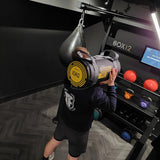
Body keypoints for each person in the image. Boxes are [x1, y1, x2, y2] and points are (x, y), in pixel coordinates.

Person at [42, 47, 118, 160]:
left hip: (64, 120)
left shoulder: (69, 76)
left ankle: (45, 158)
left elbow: (84, 86)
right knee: (73, 155)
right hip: (78, 130)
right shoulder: (94, 92)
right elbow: (112, 106)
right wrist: (111, 84)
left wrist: (101, 82)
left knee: (55, 140)